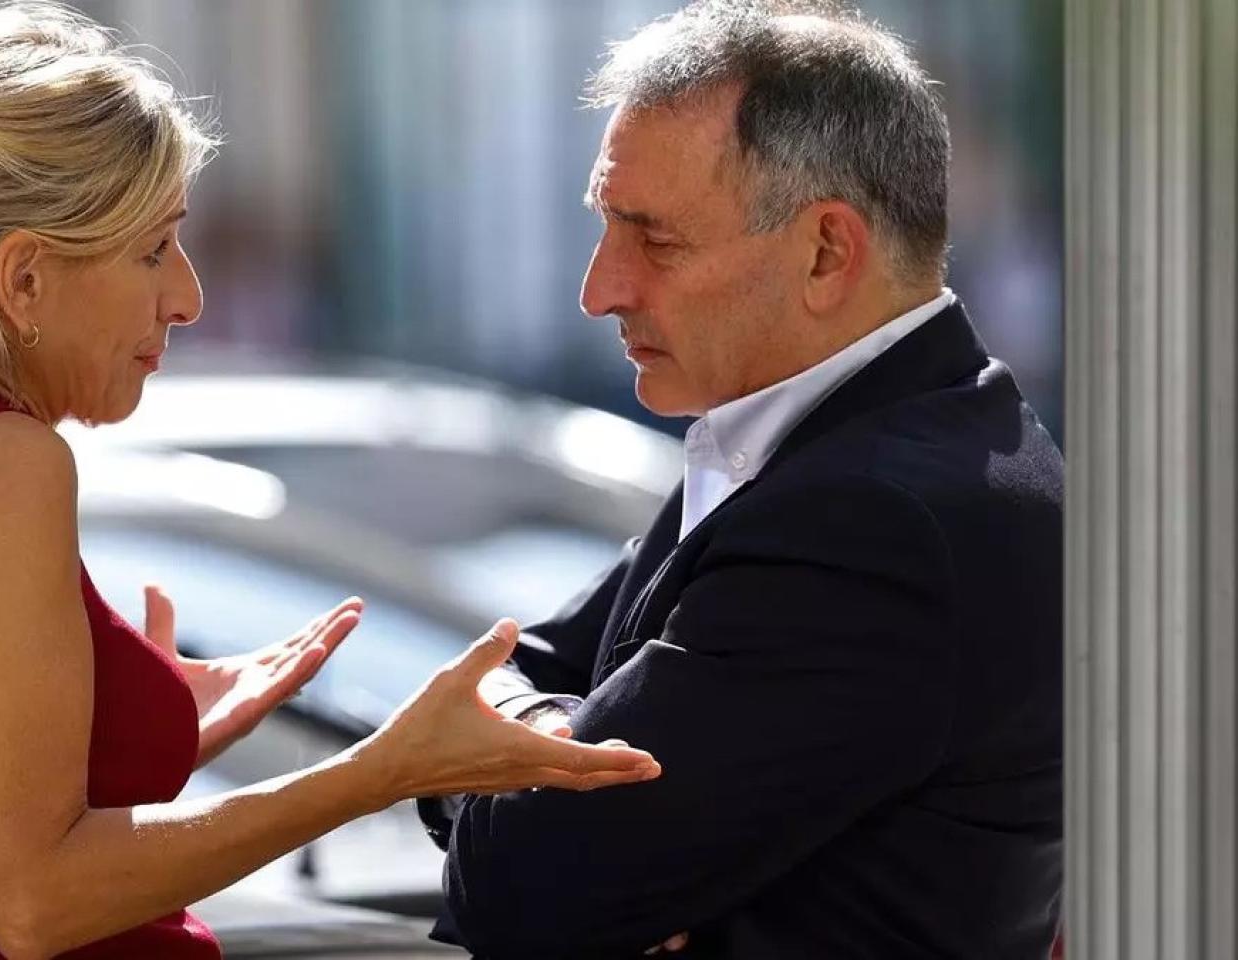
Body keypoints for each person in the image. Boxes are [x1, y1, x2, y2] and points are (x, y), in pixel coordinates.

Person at [0, 5, 661, 958]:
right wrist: (381, 771)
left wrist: (131, 722)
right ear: (21, 282)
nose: (188, 296)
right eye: (152, 249)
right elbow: (35, 904)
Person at [418, 2, 1064, 957]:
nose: (600, 287)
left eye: (656, 240)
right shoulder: (835, 441)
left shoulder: (874, 518)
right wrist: (540, 731)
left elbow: (522, 882)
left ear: (826, 251)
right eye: (605, 227)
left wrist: (495, 754)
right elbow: (513, 669)